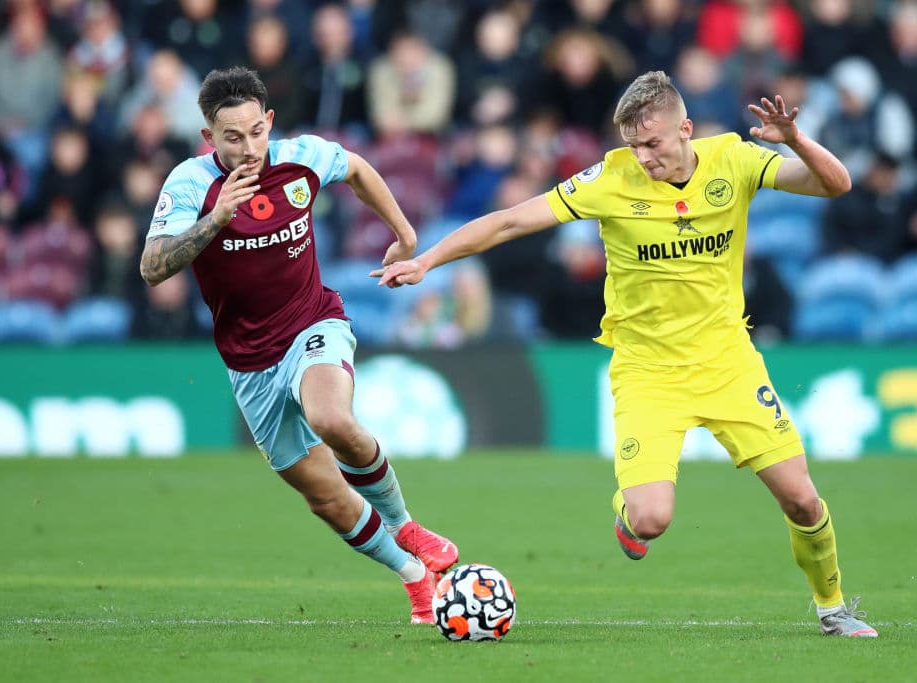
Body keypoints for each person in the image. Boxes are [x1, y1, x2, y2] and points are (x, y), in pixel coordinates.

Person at [375, 70, 878, 637]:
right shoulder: (610, 179)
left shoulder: (733, 159)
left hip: (728, 362)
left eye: (653, 143)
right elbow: (511, 220)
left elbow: (835, 185)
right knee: (651, 519)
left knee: (803, 502)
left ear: (685, 129)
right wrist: (427, 262)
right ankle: (627, 514)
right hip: (647, 372)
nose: (642, 157)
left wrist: (796, 140)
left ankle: (833, 609)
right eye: (632, 145)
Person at [139, 66, 458, 624]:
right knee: (327, 500)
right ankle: (414, 578)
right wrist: (215, 220)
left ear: (269, 122)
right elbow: (151, 268)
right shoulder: (190, 184)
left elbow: (357, 168)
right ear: (208, 138)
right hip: (248, 363)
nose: (247, 148)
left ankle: (407, 527)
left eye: (255, 132)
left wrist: (405, 235)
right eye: (230, 138)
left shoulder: (301, 158)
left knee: (332, 418)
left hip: (313, 323)